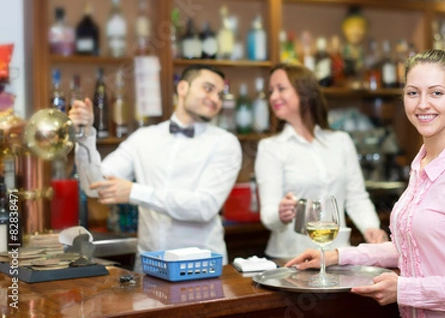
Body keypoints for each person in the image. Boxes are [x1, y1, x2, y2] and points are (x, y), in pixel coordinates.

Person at [287, 49, 445, 317]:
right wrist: (338, 256)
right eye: (413, 93)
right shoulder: (421, 165)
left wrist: (404, 290)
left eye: (437, 93)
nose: (422, 104)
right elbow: (409, 248)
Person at [68, 64, 242, 270]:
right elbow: (94, 185)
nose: (215, 99)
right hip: (148, 268)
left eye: (220, 95)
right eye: (208, 88)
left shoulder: (225, 143)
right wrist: (85, 135)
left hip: (201, 267)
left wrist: (135, 192)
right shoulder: (144, 138)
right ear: (183, 88)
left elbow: (204, 207)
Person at [254, 63, 388, 260]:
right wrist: (280, 215)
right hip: (291, 259)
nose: (273, 97)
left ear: (306, 93)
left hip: (339, 255)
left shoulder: (340, 141)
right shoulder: (270, 148)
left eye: (281, 89)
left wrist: (372, 228)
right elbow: (268, 215)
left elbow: (356, 197)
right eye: (271, 91)